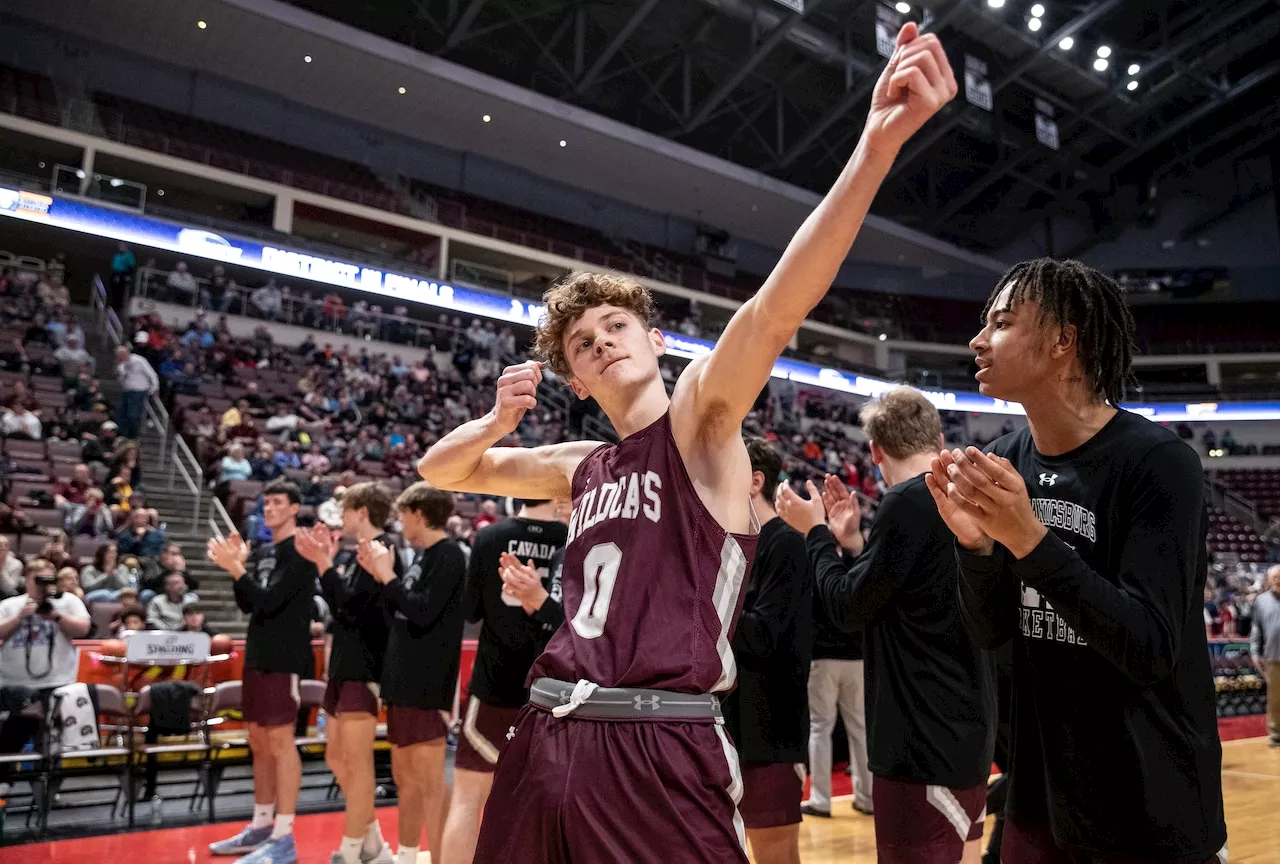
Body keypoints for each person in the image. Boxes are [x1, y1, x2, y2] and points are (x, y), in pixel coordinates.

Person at [418, 25, 956, 862]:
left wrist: (874, 147)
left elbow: (776, 307)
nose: (599, 343)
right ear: (577, 380)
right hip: (549, 724)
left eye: (615, 325)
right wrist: (492, 424)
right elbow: (438, 471)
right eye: (581, 346)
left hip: (657, 738)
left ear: (656, 340)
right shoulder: (577, 465)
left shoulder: (701, 418)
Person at [926, 259, 1226, 862]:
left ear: (1064, 340)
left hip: (1150, 802)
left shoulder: (1159, 464)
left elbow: (1149, 648)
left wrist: (1032, 542)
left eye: (1003, 323)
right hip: (1039, 795)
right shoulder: (1006, 460)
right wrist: (977, 549)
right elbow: (991, 634)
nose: (978, 340)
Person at [777, 387, 996, 863]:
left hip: (919, 740)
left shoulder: (907, 502)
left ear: (875, 450)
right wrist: (853, 543)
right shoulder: (962, 498)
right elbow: (892, 597)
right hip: (967, 724)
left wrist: (814, 533)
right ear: (939, 438)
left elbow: (848, 608)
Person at [440, 497, 569, 864]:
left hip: (494, 680)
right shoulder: (574, 537)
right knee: (543, 805)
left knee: (468, 796)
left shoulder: (490, 536)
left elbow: (471, 610)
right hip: (552, 686)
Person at [207, 480, 318, 864]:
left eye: (276, 502)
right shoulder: (267, 550)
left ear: (294, 508)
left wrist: (236, 567)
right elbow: (248, 602)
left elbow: (270, 602)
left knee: (280, 742)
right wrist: (236, 567)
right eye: (265, 502)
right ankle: (261, 825)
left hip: (285, 658)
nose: (268, 508)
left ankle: (285, 835)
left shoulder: (302, 551)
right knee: (258, 741)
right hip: (257, 655)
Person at [357, 483, 468, 864]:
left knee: (430, 784)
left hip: (427, 683)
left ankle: (443, 859)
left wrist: (388, 577)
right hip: (401, 680)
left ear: (419, 514)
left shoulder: (450, 555)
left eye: (403, 514)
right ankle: (406, 855)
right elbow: (400, 617)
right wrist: (379, 578)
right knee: (404, 779)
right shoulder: (421, 557)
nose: (400, 521)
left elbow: (422, 613)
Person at [295, 482, 397, 864]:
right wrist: (329, 564)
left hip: (365, 666)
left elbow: (355, 610)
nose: (343, 516)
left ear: (363, 512)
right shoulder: (357, 554)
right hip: (342, 667)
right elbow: (341, 609)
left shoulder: (382, 551)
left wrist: (324, 564)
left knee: (357, 761)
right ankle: (374, 842)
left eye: (348, 510)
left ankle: (351, 851)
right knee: (336, 756)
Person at [724, 439, 812, 864]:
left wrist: (706, 598)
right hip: (725, 727)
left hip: (770, 731)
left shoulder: (786, 545)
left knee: (775, 854)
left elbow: (762, 638)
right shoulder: (732, 543)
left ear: (755, 480)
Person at [0, 559, 91, 793]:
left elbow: (84, 628)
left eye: (48, 579)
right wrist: (20, 618)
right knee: (10, 738)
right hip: (15, 686)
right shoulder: (10, 605)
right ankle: (4, 784)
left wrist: (57, 617)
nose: (43, 586)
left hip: (58, 683)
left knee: (52, 742)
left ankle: (47, 789)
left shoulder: (67, 601)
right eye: (37, 580)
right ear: (27, 580)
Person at [1250, 564, 1280, 746]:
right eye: (1275, 577)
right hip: (1273, 658)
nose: (1277, 580)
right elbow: (1256, 629)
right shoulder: (1261, 601)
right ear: (1269, 580)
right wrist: (1254, 652)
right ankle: (1276, 734)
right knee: (1275, 698)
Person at [114, 344, 158, 439]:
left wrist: (154, 388)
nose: (121, 357)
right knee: (120, 414)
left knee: (132, 415)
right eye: (119, 356)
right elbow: (121, 380)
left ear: (127, 353)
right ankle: (123, 435)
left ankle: (133, 436)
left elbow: (152, 374)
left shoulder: (139, 360)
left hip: (139, 391)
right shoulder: (121, 366)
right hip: (126, 392)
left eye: (122, 354)